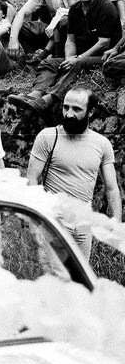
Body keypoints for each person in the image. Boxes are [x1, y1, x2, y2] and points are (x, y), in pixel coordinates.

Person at [25, 87, 122, 257]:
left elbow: (112, 188)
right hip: (55, 223)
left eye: (77, 109)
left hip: (83, 227)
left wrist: (117, 226)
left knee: (81, 280)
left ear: (90, 112)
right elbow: (32, 179)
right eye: (66, 107)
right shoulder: (48, 137)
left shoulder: (102, 144)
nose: (69, 114)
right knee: (55, 279)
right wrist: (39, 220)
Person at [9, 0, 119, 112]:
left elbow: (103, 42)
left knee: (77, 63)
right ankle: (35, 94)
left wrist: (77, 59)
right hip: (81, 55)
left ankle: (48, 99)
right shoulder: (75, 9)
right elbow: (70, 40)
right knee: (49, 62)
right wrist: (68, 59)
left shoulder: (106, 7)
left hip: (104, 57)